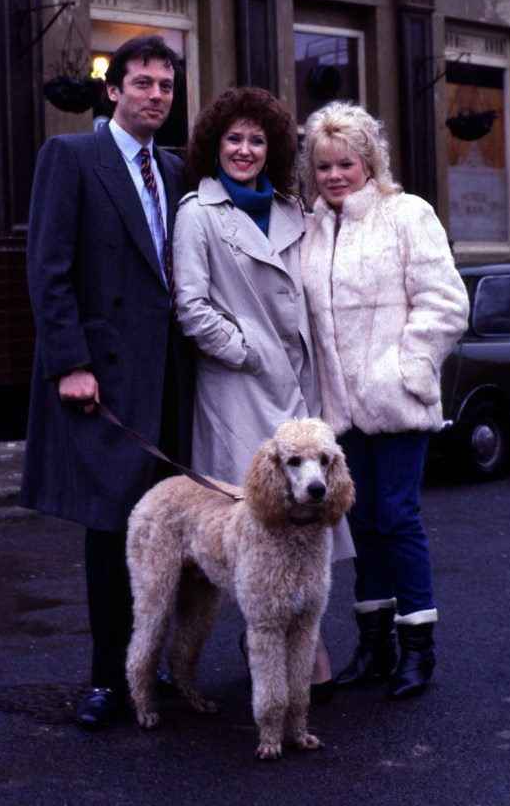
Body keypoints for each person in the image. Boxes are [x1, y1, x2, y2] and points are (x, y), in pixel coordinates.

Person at [20, 34, 195, 729]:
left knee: (170, 532)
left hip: (171, 379)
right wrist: (70, 362)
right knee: (111, 528)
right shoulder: (70, 157)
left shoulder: (178, 171)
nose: (156, 95)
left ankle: (157, 667)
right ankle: (106, 679)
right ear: (113, 89)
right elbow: (49, 266)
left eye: (166, 86)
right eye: (144, 83)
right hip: (103, 378)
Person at [172, 86, 354, 703]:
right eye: (234, 139)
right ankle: (260, 658)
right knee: (253, 528)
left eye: (257, 139)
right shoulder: (199, 212)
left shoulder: (291, 209)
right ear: (213, 146)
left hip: (298, 391)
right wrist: (247, 348)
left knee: (307, 525)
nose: (245, 149)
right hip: (237, 391)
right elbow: (190, 306)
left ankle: (300, 652)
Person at [300, 101, 469, 700]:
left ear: (370, 161)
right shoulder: (314, 227)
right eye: (324, 167)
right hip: (339, 411)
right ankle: (373, 648)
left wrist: (408, 371)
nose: (336, 175)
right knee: (359, 521)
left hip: (396, 402)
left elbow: (446, 304)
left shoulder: (406, 215)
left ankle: (417, 649)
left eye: (347, 162)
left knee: (398, 517)